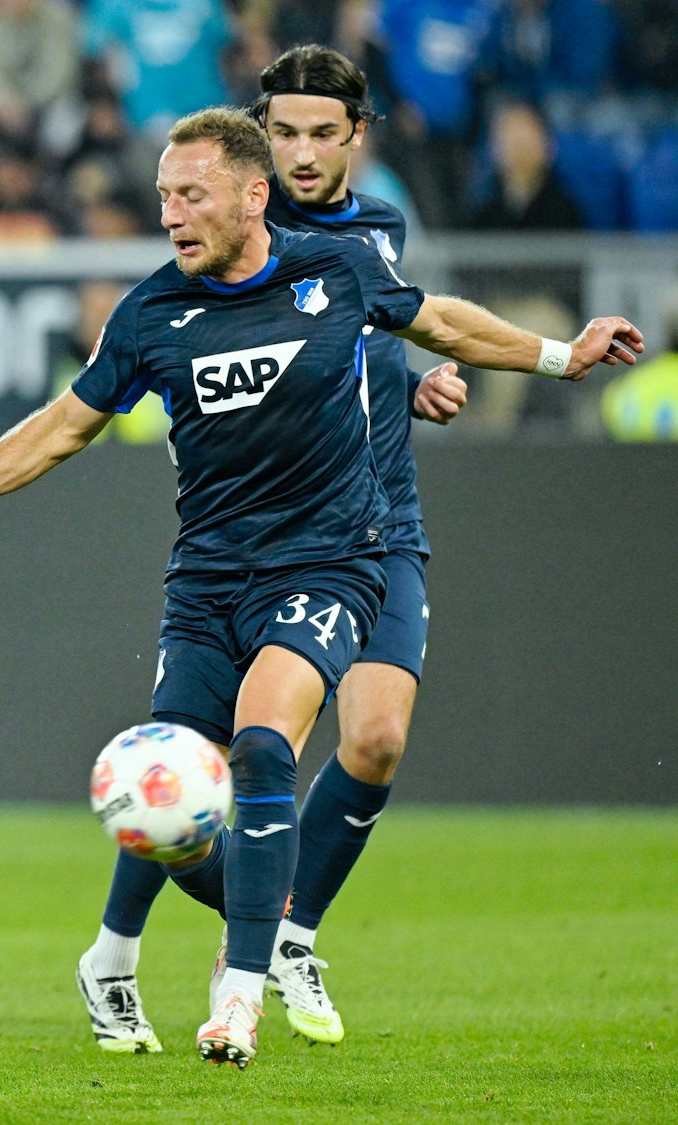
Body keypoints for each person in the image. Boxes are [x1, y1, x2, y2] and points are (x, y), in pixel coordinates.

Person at [0, 107, 640, 1069]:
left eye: (192, 194)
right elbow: (60, 427)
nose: (172, 214)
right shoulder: (149, 315)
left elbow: (443, 320)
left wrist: (561, 354)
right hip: (209, 578)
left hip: (330, 562)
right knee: (166, 787)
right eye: (165, 195)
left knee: (262, 747)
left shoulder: (333, 272)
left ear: (254, 197)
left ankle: (240, 995)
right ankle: (114, 958)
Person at [76, 44, 477, 1054]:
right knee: (213, 747)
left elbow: (376, 337)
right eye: (283, 130)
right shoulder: (228, 233)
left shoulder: (375, 230)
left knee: (374, 739)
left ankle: (283, 933)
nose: (301, 152)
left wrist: (409, 383)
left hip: (378, 522)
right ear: (256, 152)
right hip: (273, 540)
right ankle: (158, 949)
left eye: (320, 133)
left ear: (356, 137)